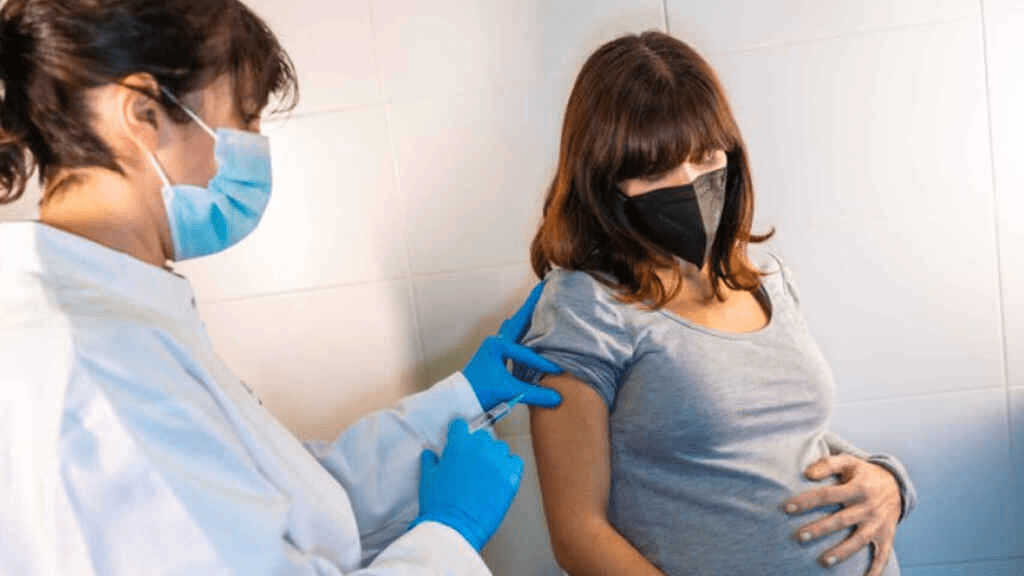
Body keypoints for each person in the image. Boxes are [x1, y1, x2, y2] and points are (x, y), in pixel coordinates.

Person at [0, 1, 562, 574]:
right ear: (143, 113)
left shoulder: (120, 319)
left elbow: (290, 501)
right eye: (245, 118)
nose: (254, 146)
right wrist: (448, 536)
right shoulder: (86, 371)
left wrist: (462, 401)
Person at [519, 32, 917, 576]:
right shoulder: (585, 305)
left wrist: (887, 480)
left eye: (705, 156)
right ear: (604, 180)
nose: (689, 183)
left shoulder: (766, 278)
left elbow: (780, 444)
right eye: (656, 170)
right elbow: (578, 534)